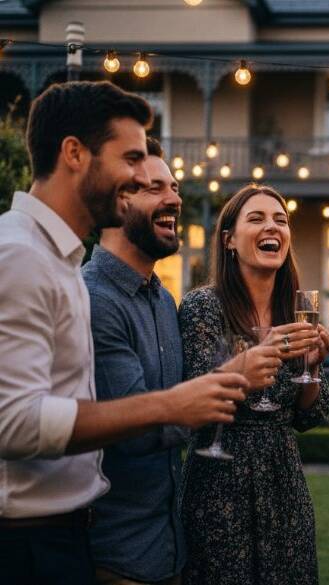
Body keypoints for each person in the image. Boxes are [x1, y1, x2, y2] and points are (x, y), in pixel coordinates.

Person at [0, 81, 248, 585]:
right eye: (131, 159)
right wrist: (170, 405)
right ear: (74, 153)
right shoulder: (21, 255)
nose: (140, 177)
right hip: (28, 544)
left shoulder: (59, 259)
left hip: (68, 535)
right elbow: (14, 424)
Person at [178, 184, 329, 585]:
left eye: (281, 220)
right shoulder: (203, 308)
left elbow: (309, 415)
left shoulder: (297, 311)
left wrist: (311, 369)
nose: (273, 227)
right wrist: (263, 352)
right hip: (219, 480)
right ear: (229, 240)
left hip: (284, 483)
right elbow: (198, 391)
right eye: (257, 218)